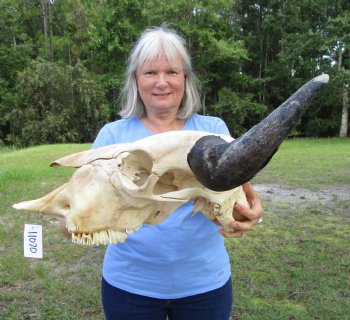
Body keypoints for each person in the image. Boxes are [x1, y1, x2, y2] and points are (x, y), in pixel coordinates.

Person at [91, 26, 263, 320]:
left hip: (205, 287)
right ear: (136, 79)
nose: (161, 82)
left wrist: (254, 214)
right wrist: (72, 221)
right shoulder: (111, 137)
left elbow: (243, 199)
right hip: (129, 287)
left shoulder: (214, 132)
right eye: (150, 73)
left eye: (172, 71)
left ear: (185, 79)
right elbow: (87, 206)